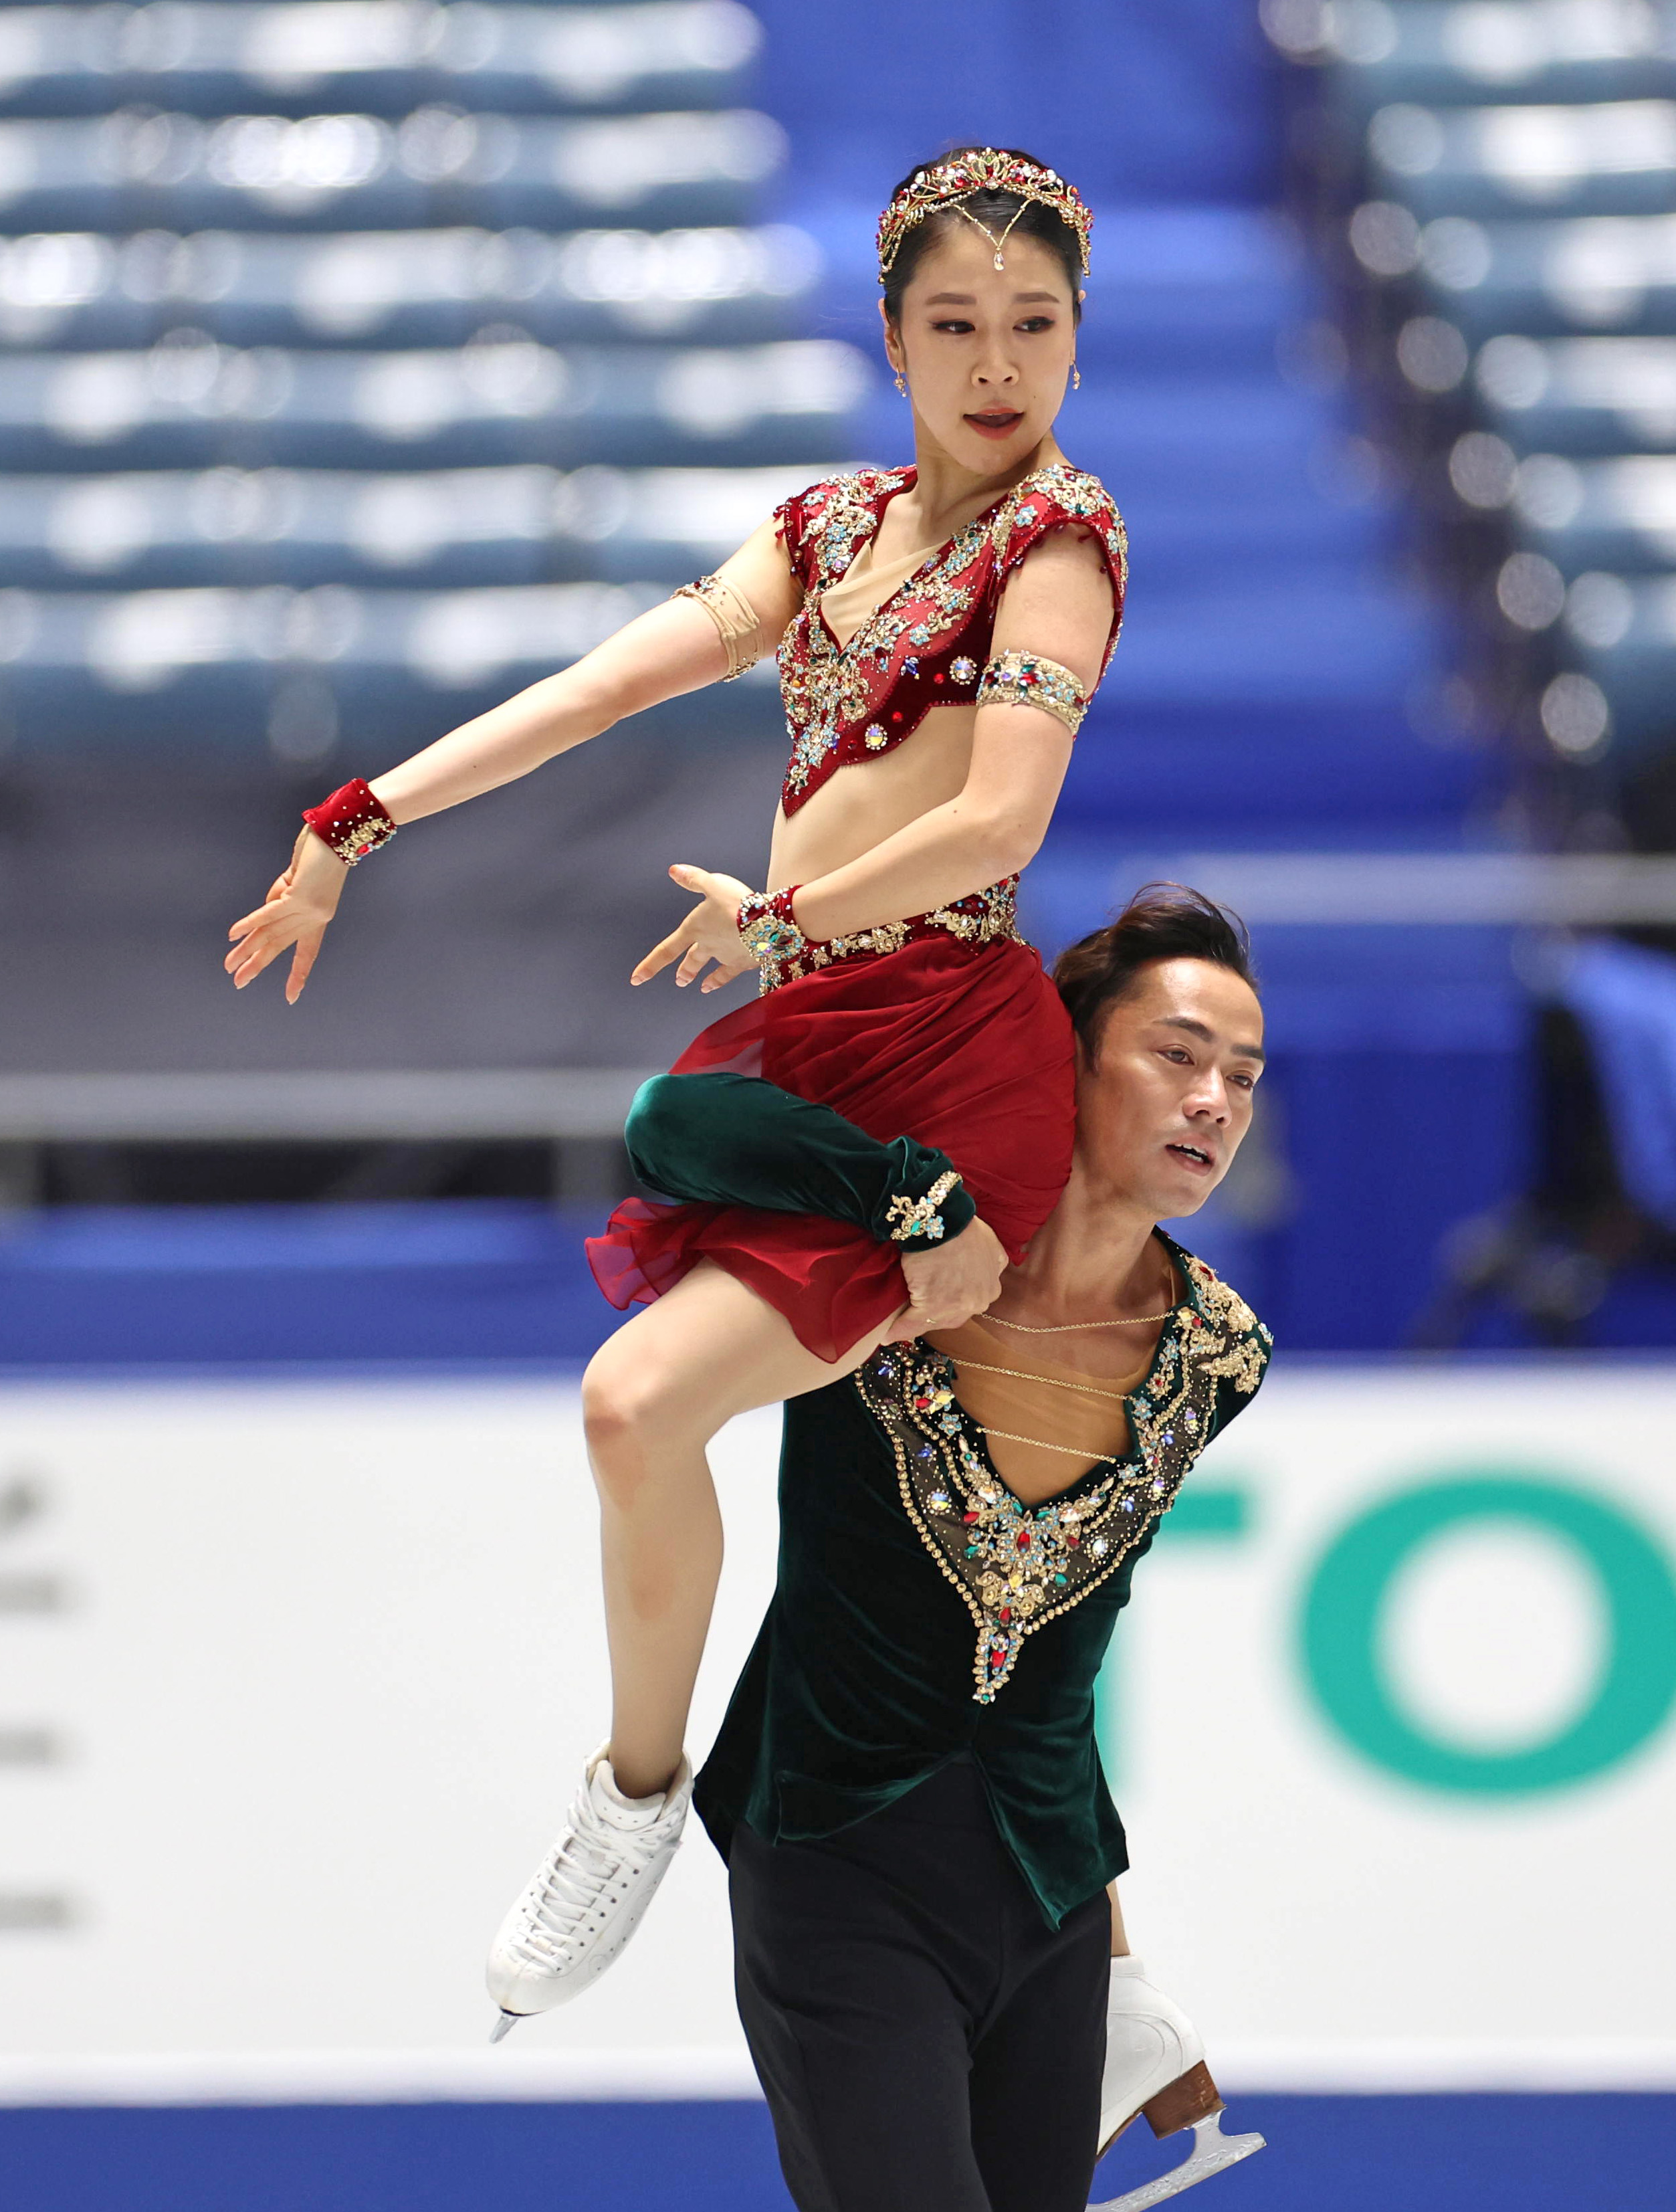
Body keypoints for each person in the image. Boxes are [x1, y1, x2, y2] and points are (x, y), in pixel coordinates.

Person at [225, 146, 1130, 2015]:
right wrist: (357, 815)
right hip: (804, 1049)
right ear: (892, 337)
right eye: (954, 324)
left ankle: (654, 1807)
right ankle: (1070, 1986)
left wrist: (795, 910)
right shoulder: (820, 532)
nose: (995, 363)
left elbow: (999, 815)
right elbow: (594, 690)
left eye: (1032, 325)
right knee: (847, 1516)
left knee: (686, 1424)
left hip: (952, 1071)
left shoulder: (1061, 543)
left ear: (1076, 336)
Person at [601, 886, 1273, 2211]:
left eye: (1243, 1078)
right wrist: (905, 1198)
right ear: (1071, 1062)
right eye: (1178, 1056)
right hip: (838, 1864)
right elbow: (667, 1125)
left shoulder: (1219, 1351)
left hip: (1052, 1899)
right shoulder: (898, 1259)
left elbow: (1064, 1653)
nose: (1214, 1102)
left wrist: (1124, 1964)